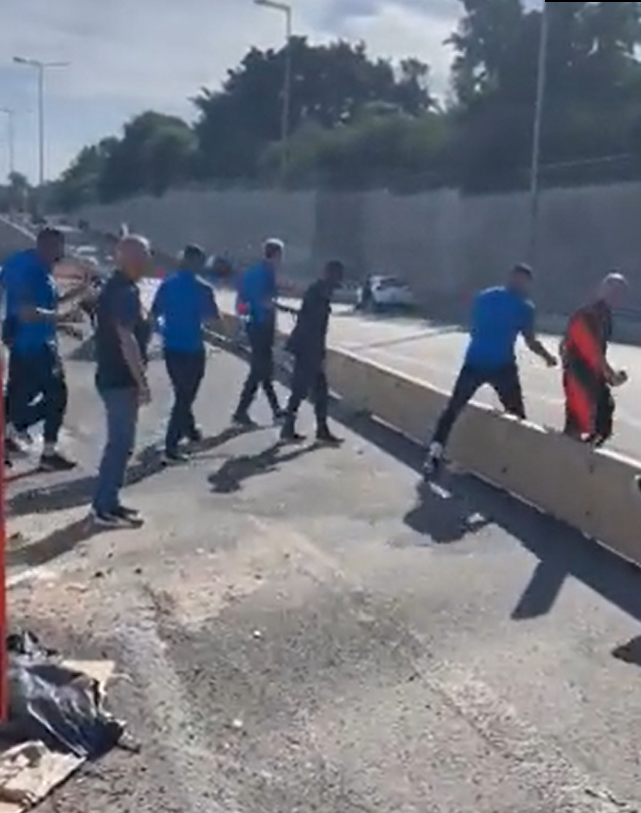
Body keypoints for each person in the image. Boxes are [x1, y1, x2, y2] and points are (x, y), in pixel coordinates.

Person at [423, 263, 557, 477]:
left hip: (475, 361)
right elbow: (530, 341)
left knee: (453, 409)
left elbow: (474, 328)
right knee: (517, 416)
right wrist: (548, 357)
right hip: (501, 366)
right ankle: (517, 464)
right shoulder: (524, 307)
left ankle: (434, 455)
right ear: (524, 282)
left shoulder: (484, 297)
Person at [1, 227, 85, 470]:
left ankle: (10, 434)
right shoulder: (29, 270)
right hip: (35, 346)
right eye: (59, 247)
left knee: (19, 396)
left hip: (29, 344)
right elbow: (27, 312)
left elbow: (48, 306)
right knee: (56, 396)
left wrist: (79, 293)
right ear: (48, 245)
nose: (62, 253)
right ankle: (45, 451)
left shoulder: (38, 269)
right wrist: (62, 318)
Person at [91, 235, 151, 527]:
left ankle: (110, 502)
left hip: (112, 376)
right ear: (130, 259)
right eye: (143, 257)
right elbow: (127, 340)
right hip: (120, 379)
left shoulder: (115, 287)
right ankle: (104, 508)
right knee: (119, 445)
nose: (147, 262)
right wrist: (142, 382)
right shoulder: (125, 292)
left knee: (122, 445)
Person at [150, 244, 219, 463]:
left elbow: (154, 314)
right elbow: (211, 319)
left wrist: (164, 329)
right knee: (185, 396)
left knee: (181, 391)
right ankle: (171, 446)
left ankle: (190, 431)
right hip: (192, 348)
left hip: (171, 347)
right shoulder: (203, 288)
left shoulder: (167, 284)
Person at [280, 260, 344, 444]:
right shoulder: (319, 294)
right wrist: (317, 354)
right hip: (308, 349)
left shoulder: (318, 291)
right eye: (338, 277)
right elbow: (314, 327)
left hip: (308, 348)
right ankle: (290, 428)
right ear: (331, 275)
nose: (338, 282)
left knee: (316, 391)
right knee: (301, 390)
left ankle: (317, 429)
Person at [560, 272, 628, 445]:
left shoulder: (605, 316)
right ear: (601, 290)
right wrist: (611, 375)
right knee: (583, 420)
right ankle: (571, 452)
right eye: (612, 290)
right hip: (579, 372)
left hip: (590, 372)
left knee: (600, 416)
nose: (616, 296)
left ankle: (581, 450)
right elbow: (592, 350)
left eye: (620, 292)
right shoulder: (590, 315)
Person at [232, 238, 285, 426]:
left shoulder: (251, 273)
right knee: (260, 370)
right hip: (264, 326)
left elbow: (241, 301)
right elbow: (267, 301)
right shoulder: (269, 273)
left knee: (262, 369)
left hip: (252, 325)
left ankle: (274, 409)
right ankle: (243, 412)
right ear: (277, 255)